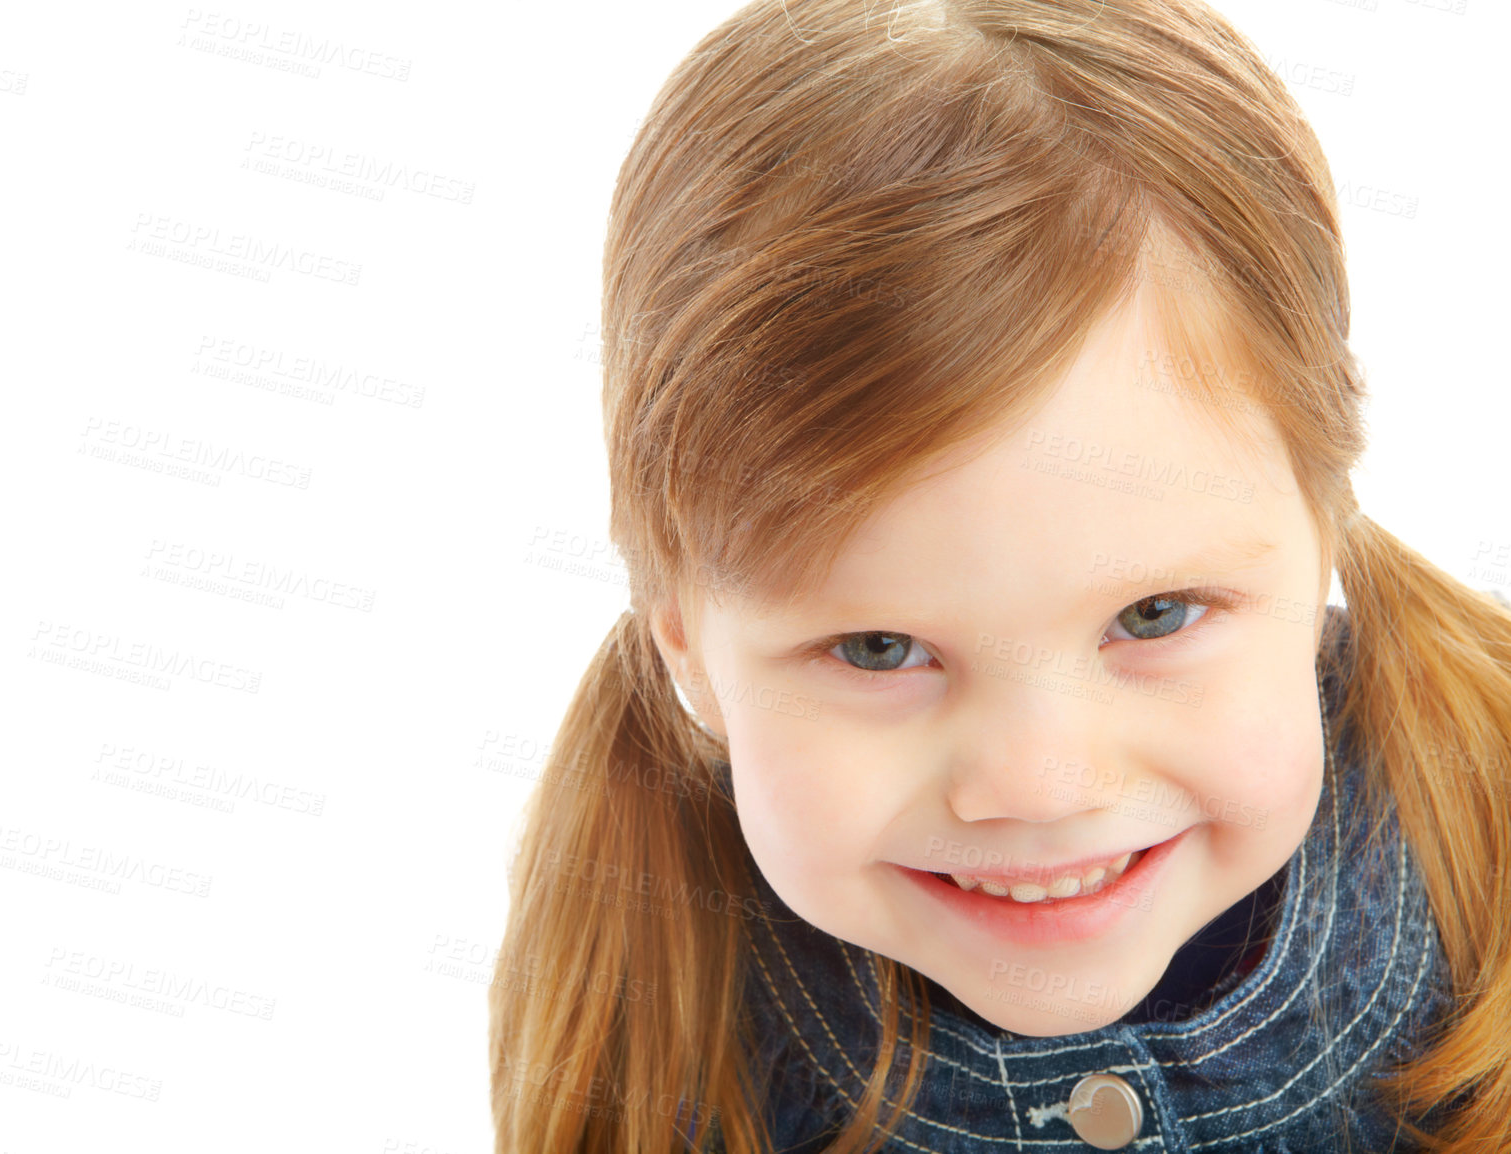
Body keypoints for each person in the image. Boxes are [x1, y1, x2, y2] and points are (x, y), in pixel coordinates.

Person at [488, 1, 1511, 1150]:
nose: (1040, 781)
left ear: (1325, 524)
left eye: (1153, 615)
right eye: (879, 648)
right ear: (682, 635)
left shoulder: (1482, 817)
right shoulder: (669, 1000)